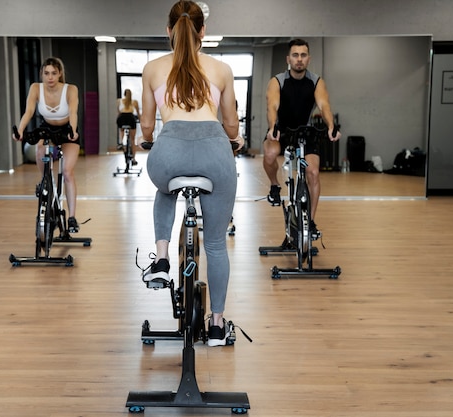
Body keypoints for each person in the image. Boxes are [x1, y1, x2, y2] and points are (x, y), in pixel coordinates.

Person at [139, 0, 243, 347]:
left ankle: (163, 258)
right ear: (203, 32)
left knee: (165, 188)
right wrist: (235, 139)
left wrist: (151, 140)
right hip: (216, 154)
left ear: (169, 30)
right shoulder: (221, 69)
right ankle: (216, 325)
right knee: (215, 244)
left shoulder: (153, 68)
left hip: (168, 153)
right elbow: (230, 124)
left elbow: (147, 126)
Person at [263, 38, 341, 236]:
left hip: (305, 133)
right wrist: (272, 126)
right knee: (270, 154)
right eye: (295, 55)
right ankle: (274, 185)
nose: (299, 59)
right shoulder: (278, 81)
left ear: (308, 58)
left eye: (303, 55)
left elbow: (324, 106)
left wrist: (331, 125)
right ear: (288, 58)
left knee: (313, 172)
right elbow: (272, 105)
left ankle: (311, 222)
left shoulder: (316, 81)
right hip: (282, 129)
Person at [13, 57, 81, 233]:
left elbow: (73, 111)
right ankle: (45, 182)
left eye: (54, 73)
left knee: (67, 172)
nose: (50, 77)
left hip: (67, 129)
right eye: (46, 73)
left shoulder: (70, 89)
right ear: (42, 74)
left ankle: (72, 217)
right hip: (47, 127)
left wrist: (73, 130)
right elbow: (29, 111)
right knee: (38, 153)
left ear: (59, 74)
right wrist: (20, 130)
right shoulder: (36, 88)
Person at [116, 89, 141, 164]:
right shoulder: (134, 102)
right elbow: (138, 113)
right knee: (132, 140)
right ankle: (133, 159)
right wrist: (141, 120)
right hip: (131, 118)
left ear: (124, 94)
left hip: (122, 118)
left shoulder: (119, 101)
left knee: (122, 131)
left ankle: (121, 143)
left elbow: (118, 112)